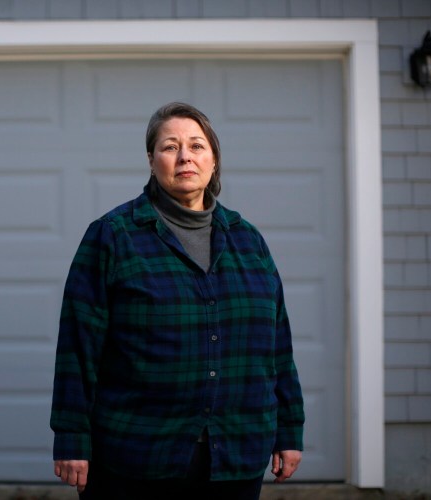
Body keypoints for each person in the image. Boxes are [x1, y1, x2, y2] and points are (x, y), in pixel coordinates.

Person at [50, 102, 304, 499]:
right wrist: (71, 437)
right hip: (136, 456)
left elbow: (277, 347)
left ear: (214, 160)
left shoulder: (249, 241)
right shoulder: (113, 237)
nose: (185, 156)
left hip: (236, 455)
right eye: (170, 146)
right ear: (151, 161)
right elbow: (78, 348)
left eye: (197, 145)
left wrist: (289, 428)